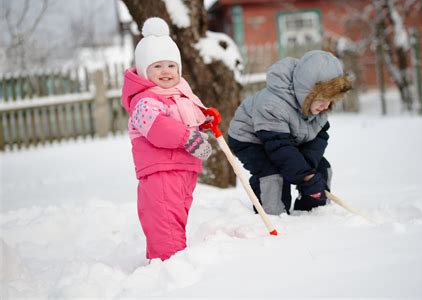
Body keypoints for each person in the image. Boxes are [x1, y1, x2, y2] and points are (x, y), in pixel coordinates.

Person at [121, 17, 212, 261]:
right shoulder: (143, 101)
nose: (166, 72)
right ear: (144, 71)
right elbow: (159, 128)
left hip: (183, 170)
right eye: (157, 66)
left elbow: (188, 118)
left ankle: (166, 261)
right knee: (164, 220)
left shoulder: (179, 95)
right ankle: (169, 266)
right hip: (161, 171)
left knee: (176, 218)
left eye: (171, 66)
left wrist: (204, 119)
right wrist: (189, 138)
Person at [228, 50, 352, 215]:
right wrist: (304, 176)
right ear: (306, 92)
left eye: (330, 101)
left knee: (320, 168)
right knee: (272, 175)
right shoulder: (273, 105)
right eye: (322, 100)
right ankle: (273, 215)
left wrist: (307, 171)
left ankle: (313, 212)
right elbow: (279, 147)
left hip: (287, 138)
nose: (326, 106)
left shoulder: (319, 110)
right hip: (250, 138)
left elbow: (319, 138)